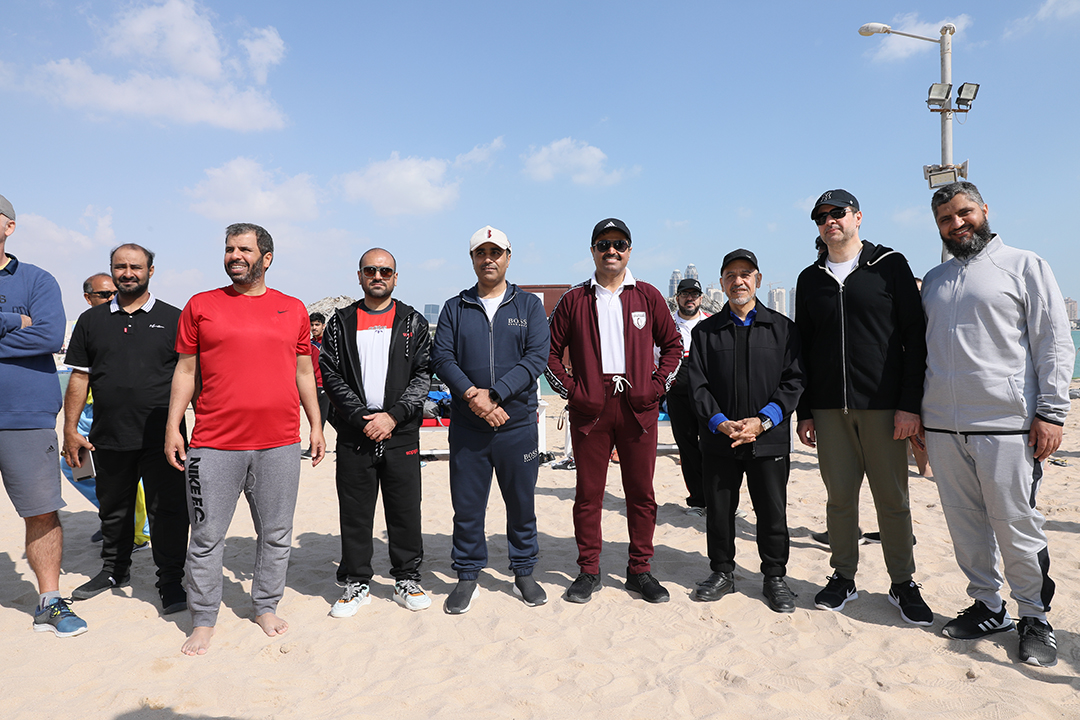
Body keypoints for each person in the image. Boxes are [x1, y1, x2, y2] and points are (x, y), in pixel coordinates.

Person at [921, 181, 1073, 667]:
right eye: (946, 219)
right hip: (944, 427)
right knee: (965, 526)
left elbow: (1053, 341)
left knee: (1017, 526)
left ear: (984, 210)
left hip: (1008, 425)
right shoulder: (935, 279)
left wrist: (1051, 412)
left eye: (964, 213)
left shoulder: (1026, 266)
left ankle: (1035, 617)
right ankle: (988, 606)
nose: (956, 223)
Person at [165, 223, 325, 656]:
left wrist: (315, 425)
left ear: (266, 258)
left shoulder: (292, 309)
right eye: (229, 248)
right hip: (214, 443)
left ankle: (265, 606)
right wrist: (173, 426)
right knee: (205, 536)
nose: (235, 255)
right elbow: (185, 370)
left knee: (275, 533)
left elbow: (304, 372)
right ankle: (203, 619)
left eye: (244, 249)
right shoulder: (201, 305)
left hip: (278, 442)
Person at [795, 189, 933, 626]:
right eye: (822, 216)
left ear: (857, 217)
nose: (830, 220)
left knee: (892, 498)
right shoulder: (810, 277)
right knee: (839, 499)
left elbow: (915, 339)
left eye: (837, 213)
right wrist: (805, 411)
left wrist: (910, 406)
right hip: (829, 409)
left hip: (884, 406)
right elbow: (802, 348)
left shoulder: (889, 264)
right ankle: (844, 575)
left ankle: (903, 581)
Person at [546, 218, 682, 604]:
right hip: (591, 410)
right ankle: (589, 570)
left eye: (619, 244)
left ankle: (640, 570)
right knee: (588, 494)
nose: (612, 250)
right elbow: (549, 354)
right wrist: (575, 393)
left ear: (629, 250)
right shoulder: (574, 300)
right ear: (592, 250)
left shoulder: (648, 296)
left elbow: (673, 347)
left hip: (638, 408)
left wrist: (654, 389)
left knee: (641, 493)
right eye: (603, 244)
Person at [63, 244, 189, 614]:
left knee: (168, 510)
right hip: (109, 435)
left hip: (164, 437)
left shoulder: (174, 318)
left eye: (136, 266)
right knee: (114, 509)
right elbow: (79, 378)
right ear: (112, 270)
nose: (128, 273)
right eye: (120, 267)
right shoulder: (92, 321)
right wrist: (70, 429)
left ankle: (170, 580)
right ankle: (114, 570)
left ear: (151, 270)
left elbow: (189, 376)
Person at [431, 226, 550, 614]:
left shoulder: (528, 305)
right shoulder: (455, 307)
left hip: (517, 427)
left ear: (508, 257)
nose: (488, 259)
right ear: (472, 259)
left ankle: (524, 571)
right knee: (467, 507)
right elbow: (443, 359)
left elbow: (536, 358)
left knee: (521, 503)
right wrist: (473, 397)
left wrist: (495, 394)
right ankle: (467, 575)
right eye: (481, 252)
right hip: (468, 428)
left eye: (495, 252)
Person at [687, 249, 804, 612]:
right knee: (720, 511)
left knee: (772, 511)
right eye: (731, 275)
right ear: (721, 284)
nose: (738, 281)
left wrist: (762, 420)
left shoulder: (782, 328)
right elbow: (697, 384)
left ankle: (774, 576)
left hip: (767, 439)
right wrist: (719, 421)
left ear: (758, 280)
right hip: (720, 439)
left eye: (746, 274)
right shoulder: (706, 332)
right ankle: (721, 572)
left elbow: (793, 381)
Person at [320, 248, 432, 617]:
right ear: (359, 276)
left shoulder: (412, 322)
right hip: (355, 432)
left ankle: (406, 578)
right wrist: (360, 416)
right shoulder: (340, 322)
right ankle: (357, 583)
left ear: (396, 277)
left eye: (386, 271)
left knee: (404, 509)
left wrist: (393, 417)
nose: (378, 276)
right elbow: (331, 374)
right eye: (371, 270)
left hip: (400, 433)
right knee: (355, 511)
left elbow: (423, 374)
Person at [0, 193, 87, 637]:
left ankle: (50, 601)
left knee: (40, 510)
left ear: (9, 227)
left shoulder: (37, 279)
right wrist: (16, 324)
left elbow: (51, 335)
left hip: (25, 415)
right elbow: (31, 332)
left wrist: (28, 330)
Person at [664, 278, 711, 516]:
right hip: (678, 394)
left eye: (694, 294)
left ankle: (721, 500)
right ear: (677, 297)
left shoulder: (712, 323)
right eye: (685, 294)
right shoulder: (665, 323)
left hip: (709, 394)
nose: (689, 298)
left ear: (701, 298)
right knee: (688, 447)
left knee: (714, 446)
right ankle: (698, 501)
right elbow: (654, 356)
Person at [302, 312, 329, 459]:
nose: (314, 327)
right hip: (313, 385)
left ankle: (312, 448)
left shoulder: (328, 344)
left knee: (319, 418)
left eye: (317, 324)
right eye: (312, 325)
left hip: (323, 385)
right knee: (331, 417)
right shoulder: (309, 344)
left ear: (323, 326)